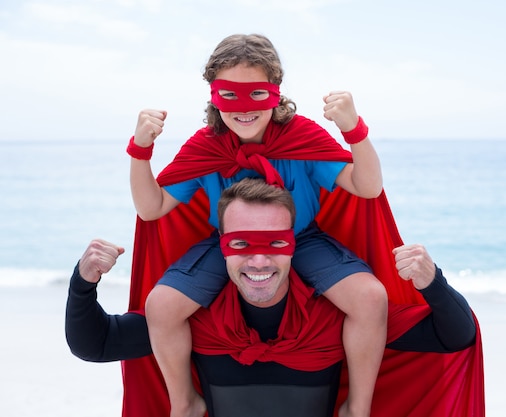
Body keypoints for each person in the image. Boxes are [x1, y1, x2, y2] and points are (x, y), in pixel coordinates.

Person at [66, 178, 483, 417]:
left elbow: (455, 336)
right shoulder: (192, 318)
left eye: (275, 243)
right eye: (243, 243)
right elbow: (94, 344)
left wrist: (433, 283)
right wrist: (83, 282)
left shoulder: (340, 315)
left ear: (294, 246)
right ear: (221, 247)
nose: (260, 259)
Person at [128, 34, 387, 417]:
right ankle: (185, 403)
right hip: (228, 246)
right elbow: (152, 209)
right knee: (162, 306)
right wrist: (140, 150)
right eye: (230, 95)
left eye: (256, 94)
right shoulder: (206, 146)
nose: (243, 109)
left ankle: (357, 408)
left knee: (371, 298)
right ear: (214, 96)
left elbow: (368, 187)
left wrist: (354, 130)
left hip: (302, 241)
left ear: (276, 92)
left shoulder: (302, 136)